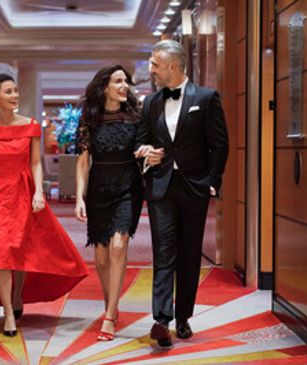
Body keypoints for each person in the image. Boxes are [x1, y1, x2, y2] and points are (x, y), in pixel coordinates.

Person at [0, 73, 89, 337]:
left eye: (16, 91)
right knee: (1, 252)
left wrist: (39, 191)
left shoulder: (30, 125)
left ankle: (17, 294)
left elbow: (36, 163)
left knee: (20, 249)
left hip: (24, 191)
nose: (15, 96)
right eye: (8, 92)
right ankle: (8, 311)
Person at [135, 40, 229, 348]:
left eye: (155, 64)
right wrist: (145, 153)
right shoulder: (150, 103)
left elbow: (219, 144)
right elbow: (140, 143)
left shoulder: (206, 97)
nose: (151, 70)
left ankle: (184, 317)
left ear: (173, 65)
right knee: (164, 254)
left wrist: (212, 181)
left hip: (194, 187)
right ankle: (161, 320)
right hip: (161, 187)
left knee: (189, 255)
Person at [75, 65, 143, 341]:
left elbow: (142, 147)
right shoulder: (90, 119)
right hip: (99, 188)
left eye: (126, 81)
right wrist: (79, 196)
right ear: (105, 87)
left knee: (118, 246)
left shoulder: (135, 117)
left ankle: (111, 315)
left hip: (128, 185)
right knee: (101, 256)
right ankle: (109, 303)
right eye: (118, 81)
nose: (124, 85)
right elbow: (82, 161)